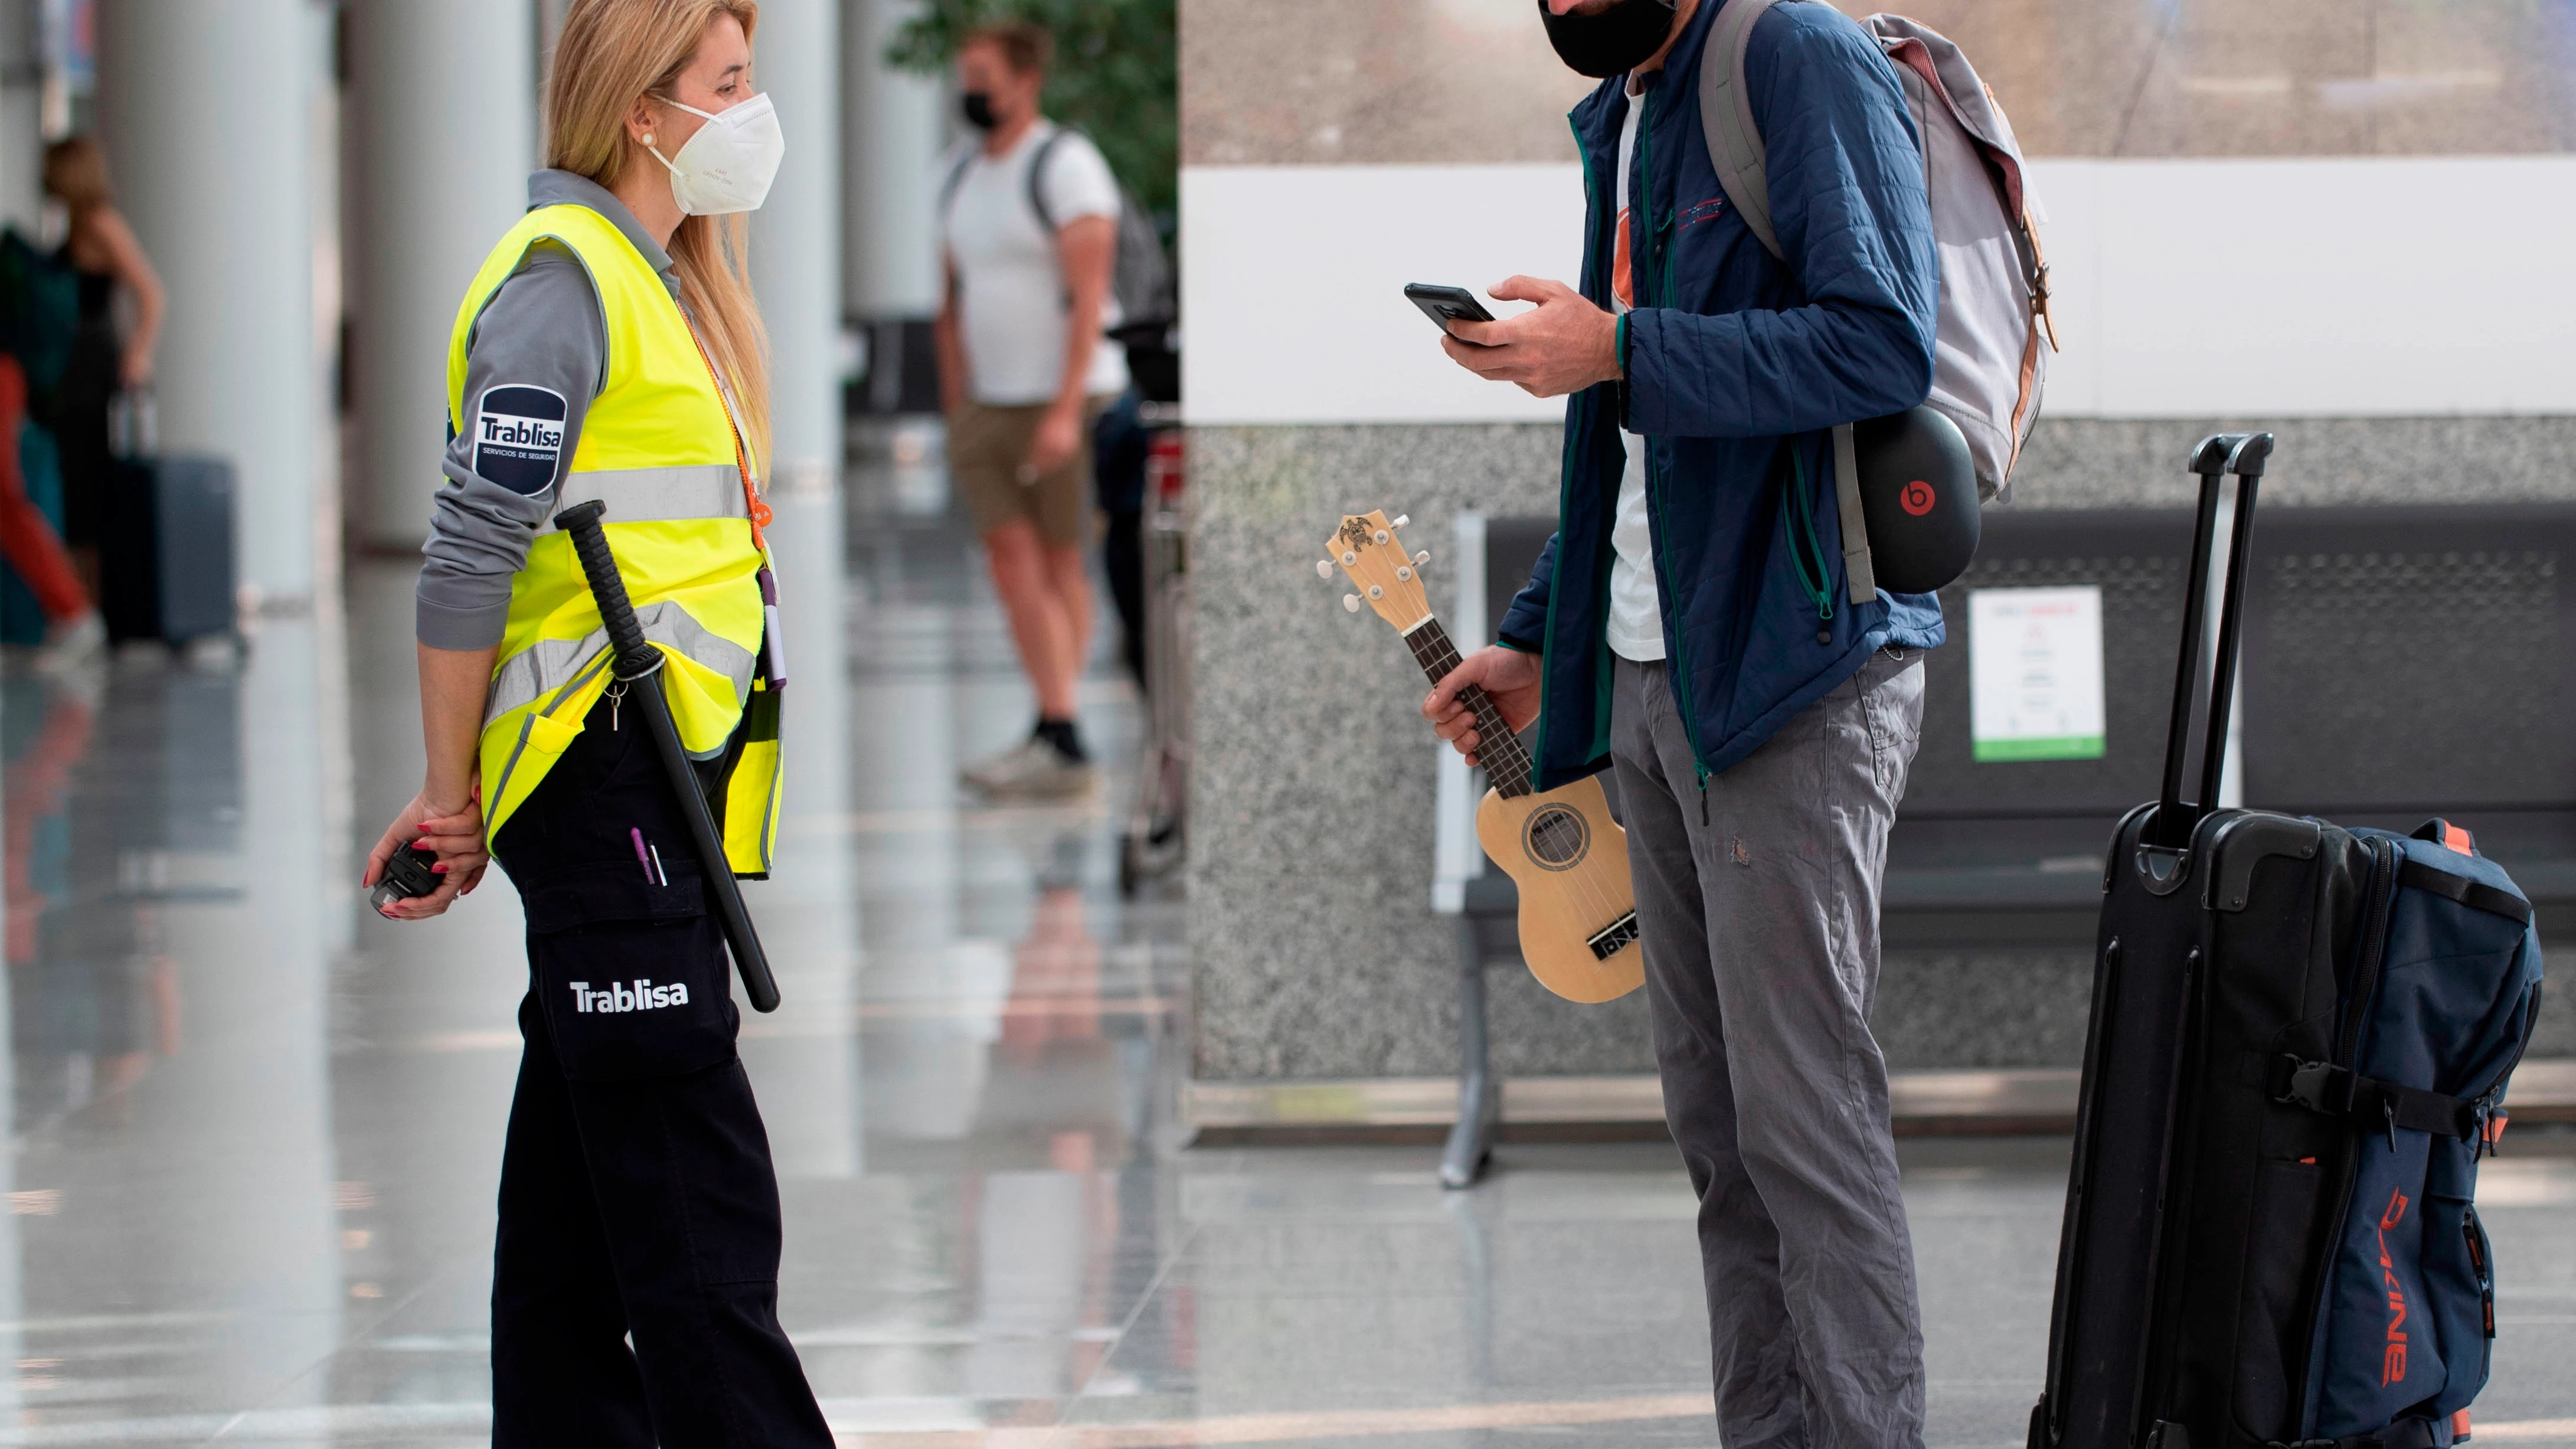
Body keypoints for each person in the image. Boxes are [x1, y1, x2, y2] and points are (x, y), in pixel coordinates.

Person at [1420, 2, 1942, 1446]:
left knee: (1805, 1127)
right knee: (1722, 1142)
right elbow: (1626, 426)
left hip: (1795, 674)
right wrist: (1537, 634)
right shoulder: (1631, 110)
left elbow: (1881, 343)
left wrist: (1623, 345)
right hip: (1653, 677)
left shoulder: (1794, 57)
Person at [359, 1, 832, 1441]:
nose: (754, 115)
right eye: (730, 84)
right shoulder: (564, 282)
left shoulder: (659, 278)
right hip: (603, 785)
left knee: (572, 1218)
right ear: (644, 110)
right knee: (696, 1208)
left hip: (655, 785)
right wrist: (453, 797)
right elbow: (468, 547)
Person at [936, 21, 1129, 798]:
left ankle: (1060, 720)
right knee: (1010, 561)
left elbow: (1090, 298)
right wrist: (957, 407)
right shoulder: (955, 175)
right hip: (990, 400)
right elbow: (948, 300)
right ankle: (1057, 719)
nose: (972, 92)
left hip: (1068, 397)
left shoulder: (1066, 166)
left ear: (1024, 79)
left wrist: (1062, 407)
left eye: (984, 76)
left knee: (1060, 560)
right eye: (965, 77)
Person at [41, 136, 161, 619]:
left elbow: (151, 292)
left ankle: (92, 606)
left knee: (90, 486)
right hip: (72, 371)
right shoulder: (74, 224)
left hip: (93, 370)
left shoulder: (101, 222)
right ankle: (82, 603)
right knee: (74, 484)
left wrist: (137, 353)